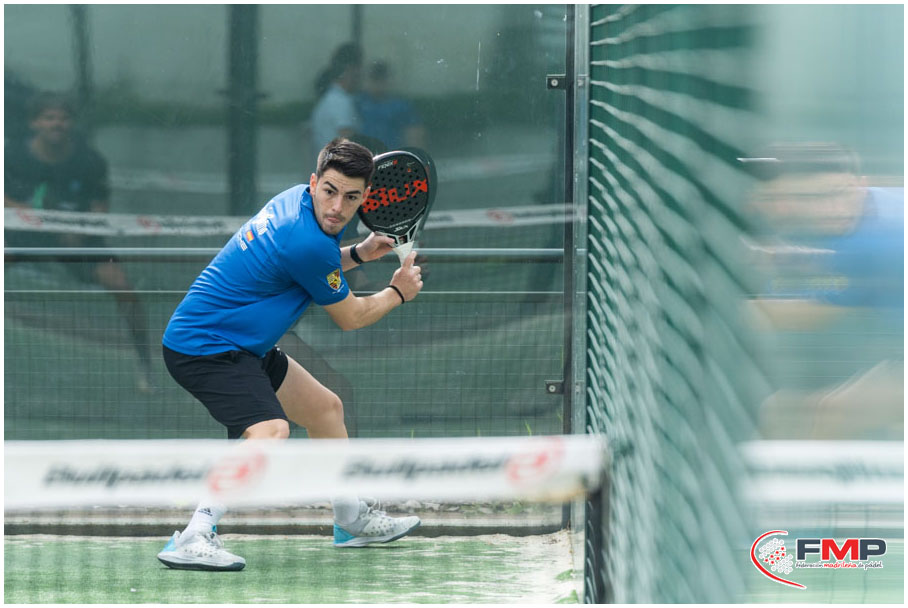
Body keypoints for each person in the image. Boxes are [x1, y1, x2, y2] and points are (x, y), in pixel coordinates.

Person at [157, 138, 424, 571]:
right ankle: (194, 534)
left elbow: (307, 267)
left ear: (365, 198)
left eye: (351, 197)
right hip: (205, 348)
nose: (337, 206)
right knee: (269, 431)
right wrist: (398, 292)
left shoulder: (294, 202)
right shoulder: (307, 242)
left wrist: (359, 253)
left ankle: (350, 518)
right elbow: (351, 316)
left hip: (243, 343)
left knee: (326, 410)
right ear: (315, 182)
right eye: (330, 191)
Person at [744, 143, 903, 440]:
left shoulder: (877, 240)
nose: (833, 208)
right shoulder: (870, 207)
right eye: (814, 198)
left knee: (827, 416)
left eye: (840, 192)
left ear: (860, 184)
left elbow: (795, 313)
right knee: (786, 415)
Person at [4, 91, 155, 392]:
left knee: (123, 286)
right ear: (35, 123)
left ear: (71, 124)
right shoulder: (11, 155)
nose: (57, 124)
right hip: (21, 236)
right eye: (49, 118)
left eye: (63, 118)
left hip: (76, 240)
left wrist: (80, 230)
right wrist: (31, 216)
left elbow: (100, 207)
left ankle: (145, 365)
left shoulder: (90, 161)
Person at [356, 60, 426, 152]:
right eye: (374, 80)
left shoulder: (401, 106)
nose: (378, 84)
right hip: (365, 155)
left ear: (388, 80)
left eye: (382, 80)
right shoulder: (358, 102)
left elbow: (415, 134)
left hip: (392, 155)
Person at [309, 43, 363, 159]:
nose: (360, 76)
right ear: (350, 70)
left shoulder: (329, 98)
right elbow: (348, 139)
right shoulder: (340, 102)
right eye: (358, 70)